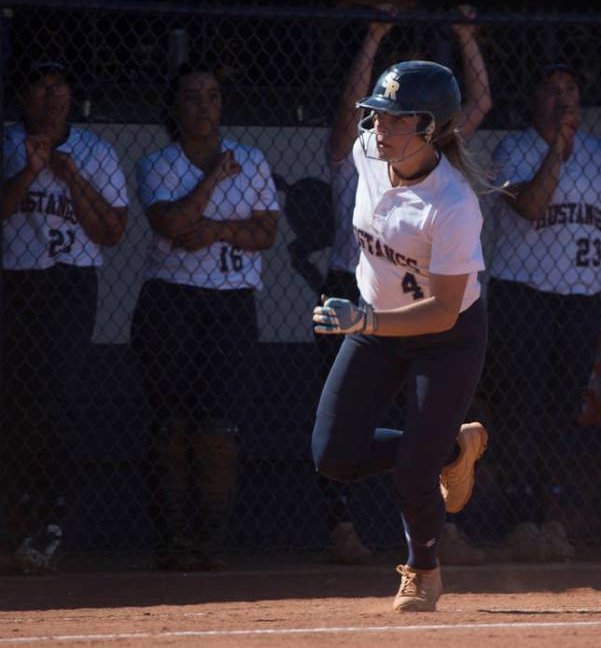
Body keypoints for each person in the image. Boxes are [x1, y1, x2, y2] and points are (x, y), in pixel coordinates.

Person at [310, 60, 489, 612]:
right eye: (377, 116)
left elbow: (441, 312)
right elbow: (350, 137)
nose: (377, 128)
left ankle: (423, 571)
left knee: (414, 472)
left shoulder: (453, 204)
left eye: (394, 120)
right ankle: (452, 446)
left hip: (446, 334)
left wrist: (365, 323)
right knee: (334, 455)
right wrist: (370, 322)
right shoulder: (368, 151)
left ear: (430, 128)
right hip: (380, 320)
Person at [486, 62, 601, 560]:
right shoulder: (514, 148)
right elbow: (530, 206)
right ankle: (517, 520)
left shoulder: (599, 154)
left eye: (571, 89)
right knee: (522, 409)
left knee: (561, 411)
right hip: (522, 294)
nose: (563, 99)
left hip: (580, 297)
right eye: (551, 90)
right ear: (534, 100)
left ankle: (547, 512)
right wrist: (557, 149)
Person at [132, 62, 280, 570]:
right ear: (175, 108)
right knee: (173, 425)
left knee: (218, 427)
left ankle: (210, 543)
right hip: (171, 300)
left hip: (230, 302)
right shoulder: (158, 163)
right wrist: (214, 179)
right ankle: (172, 540)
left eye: (213, 97)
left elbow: (266, 233)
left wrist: (217, 229)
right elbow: (171, 222)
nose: (204, 107)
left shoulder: (253, 161)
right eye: (193, 97)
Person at [0, 60, 129, 573]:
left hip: (68, 283)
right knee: (12, 399)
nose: (53, 98)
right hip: (12, 279)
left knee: (49, 398)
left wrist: (69, 176)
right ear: (23, 96)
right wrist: (29, 171)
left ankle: (49, 517)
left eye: (62, 88)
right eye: (42, 86)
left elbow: (112, 231)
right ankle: (18, 515)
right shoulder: (7, 143)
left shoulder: (93, 152)